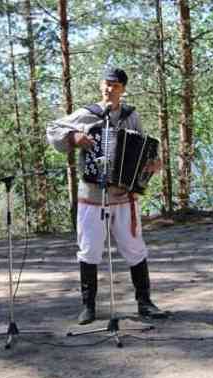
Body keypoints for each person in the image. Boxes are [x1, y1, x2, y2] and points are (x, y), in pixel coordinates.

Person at [47, 67, 164, 325]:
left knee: (135, 248)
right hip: (92, 195)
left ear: (122, 89)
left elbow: (144, 150)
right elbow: (53, 129)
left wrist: (153, 163)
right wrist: (73, 136)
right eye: (106, 84)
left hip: (124, 196)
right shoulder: (87, 114)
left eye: (115, 85)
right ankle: (88, 306)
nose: (109, 89)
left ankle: (144, 303)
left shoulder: (131, 116)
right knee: (89, 249)